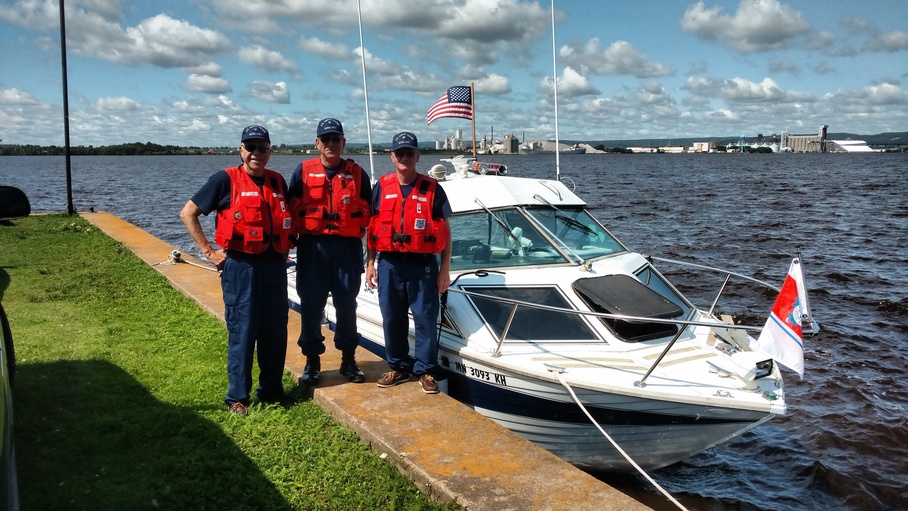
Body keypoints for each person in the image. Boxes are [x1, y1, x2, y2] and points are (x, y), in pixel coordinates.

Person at [180, 125, 293, 416]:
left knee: (274, 331)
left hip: (273, 265)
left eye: (263, 148)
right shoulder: (224, 180)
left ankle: (271, 390)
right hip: (241, 266)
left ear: (270, 151)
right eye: (251, 147)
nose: (257, 153)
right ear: (241, 150)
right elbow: (188, 212)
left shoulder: (277, 181)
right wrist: (208, 252)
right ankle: (238, 398)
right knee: (242, 331)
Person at [365, 131, 452, 394]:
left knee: (425, 319)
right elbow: (372, 230)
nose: (405, 157)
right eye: (400, 153)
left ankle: (425, 370)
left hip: (423, 264)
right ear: (392, 157)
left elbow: (446, 233)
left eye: (410, 153)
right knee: (392, 318)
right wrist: (370, 263)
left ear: (417, 156)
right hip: (389, 263)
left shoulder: (433, 189)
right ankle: (399, 367)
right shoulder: (381, 186)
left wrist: (444, 270)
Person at [289, 118, 371, 386]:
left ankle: (349, 359)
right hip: (313, 248)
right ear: (317, 143)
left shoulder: (359, 175)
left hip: (347, 248)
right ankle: (312, 361)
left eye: (336, 139)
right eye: (326, 139)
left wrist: (371, 258)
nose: (331, 144)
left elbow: (372, 216)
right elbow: (289, 212)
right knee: (312, 306)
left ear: (343, 142)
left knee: (347, 305)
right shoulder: (302, 171)